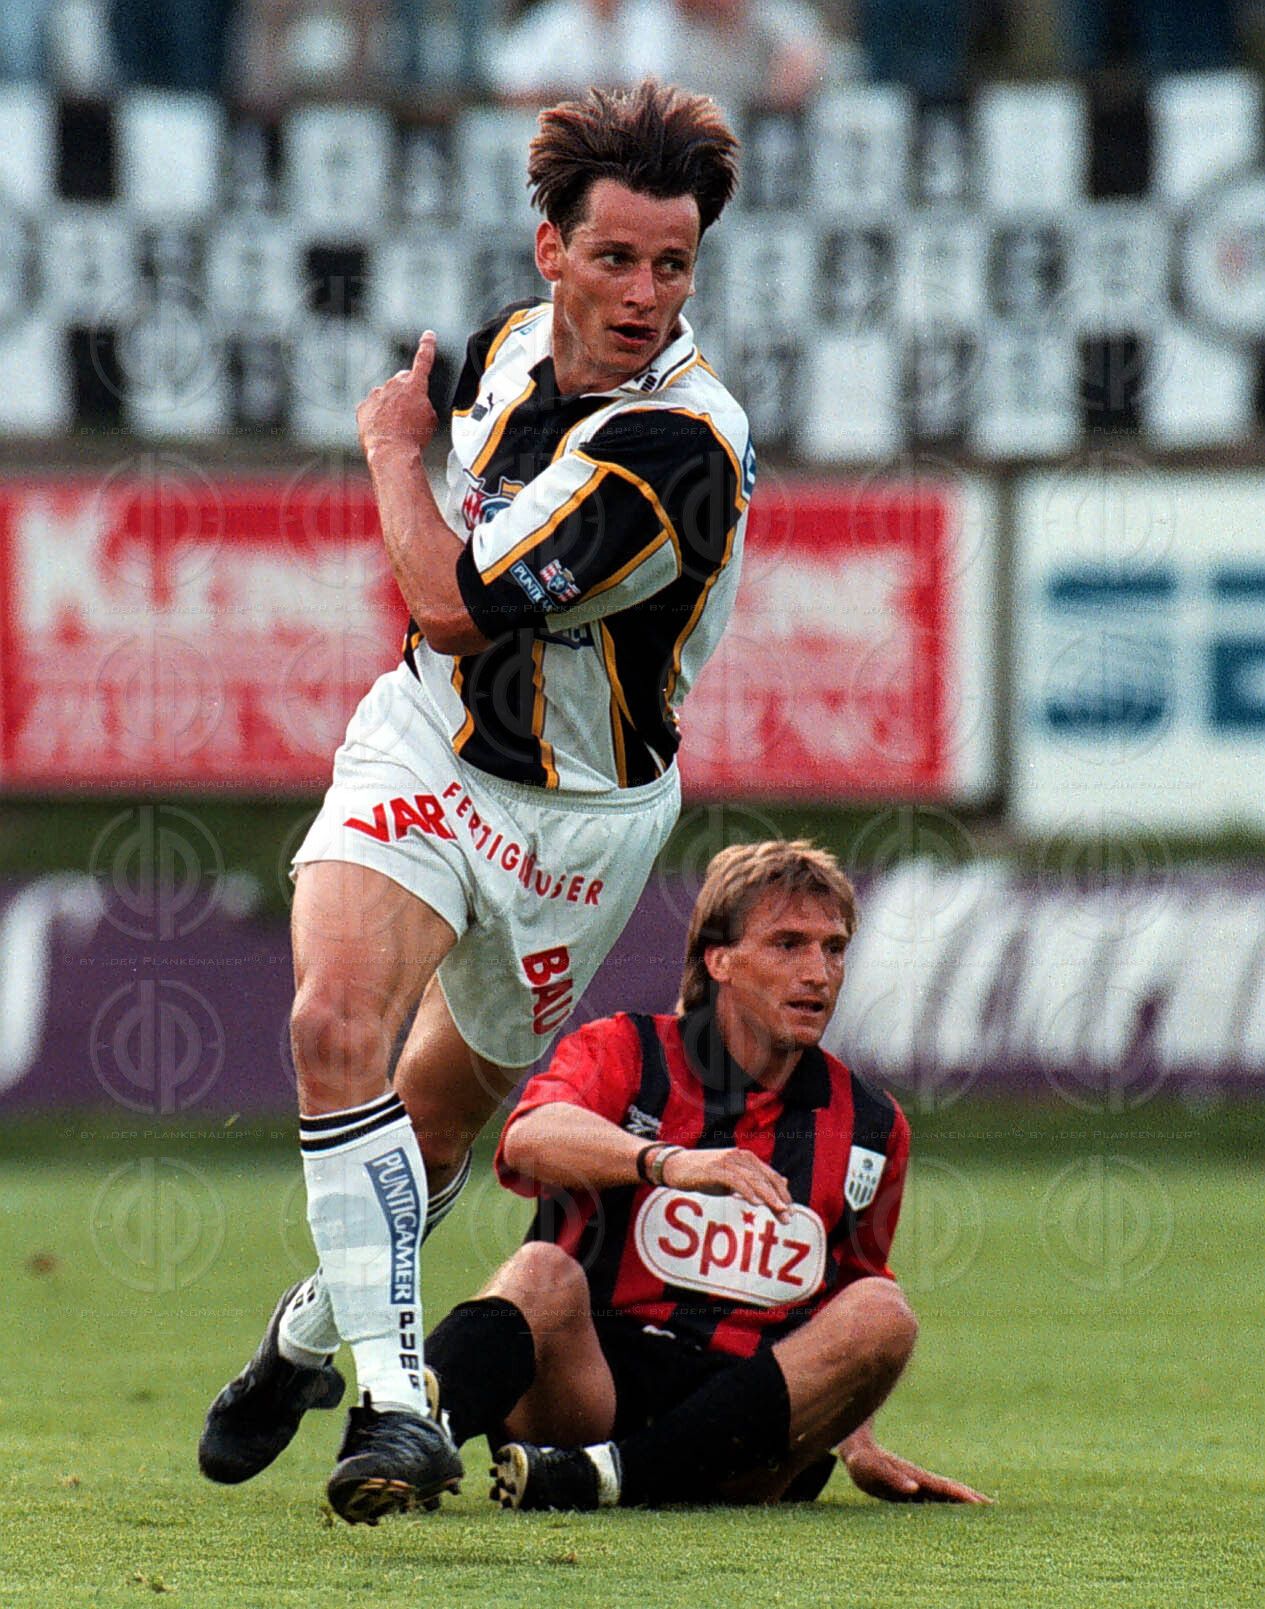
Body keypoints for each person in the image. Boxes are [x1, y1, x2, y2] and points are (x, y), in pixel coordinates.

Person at [198, 79, 752, 1526]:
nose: (644, 294)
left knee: (435, 1132)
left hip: (580, 826)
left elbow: (447, 601)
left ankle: (306, 1336)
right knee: (332, 1026)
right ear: (550, 249)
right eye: (616, 256)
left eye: (674, 264)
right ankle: (396, 1401)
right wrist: (424, 439)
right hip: (427, 754)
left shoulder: (678, 447)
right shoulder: (507, 347)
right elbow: (442, 633)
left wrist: (390, 448)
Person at [422, 840, 991, 1510]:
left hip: (740, 1433)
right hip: (588, 1394)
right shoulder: (627, 1050)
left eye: (833, 948)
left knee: (884, 1311)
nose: (818, 972)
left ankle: (604, 1477)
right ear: (718, 959)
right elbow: (529, 1138)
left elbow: (846, 1295)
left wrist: (855, 1438)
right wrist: (668, 1162)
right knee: (539, 1269)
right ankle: (411, 1434)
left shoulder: (871, 1123)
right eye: (788, 944)